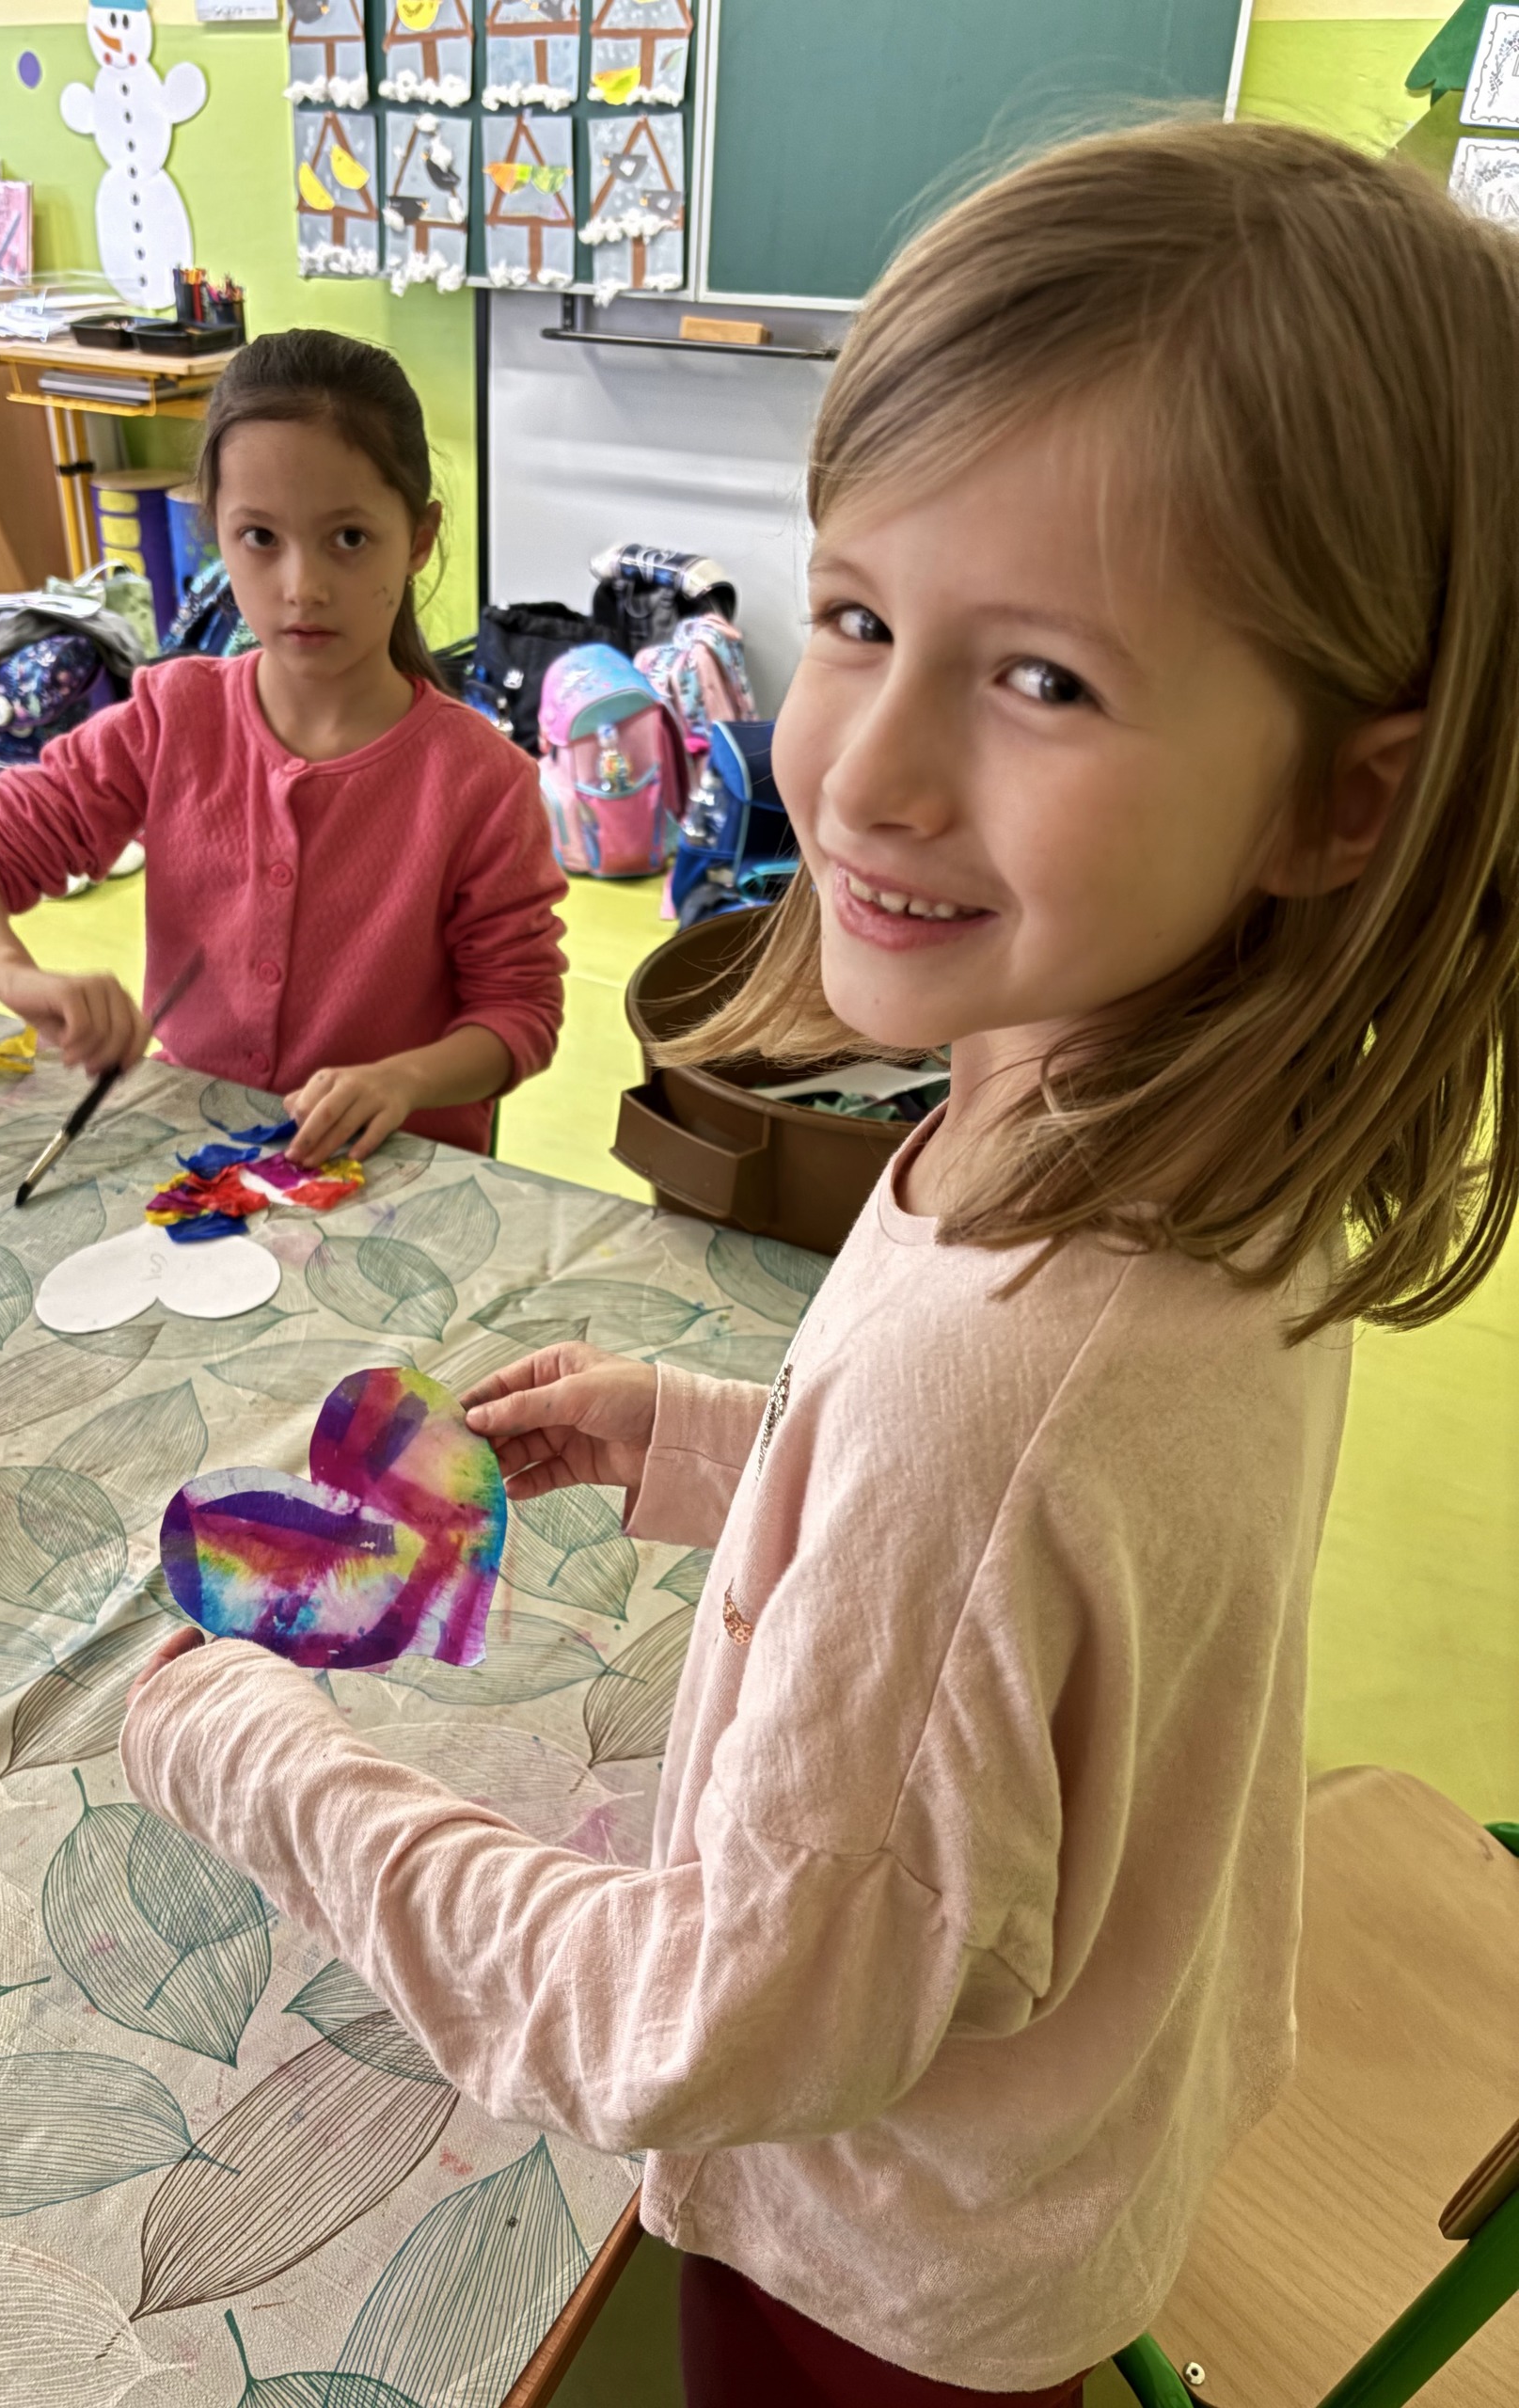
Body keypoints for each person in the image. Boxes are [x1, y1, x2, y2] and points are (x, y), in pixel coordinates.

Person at [118, 122, 1519, 2405]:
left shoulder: (1009, 1351)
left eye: (1042, 678)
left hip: (880, 2275)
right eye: (856, 617)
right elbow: (1035, 1585)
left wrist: (260, 1755)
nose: (859, 771)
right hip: (1067, 2125)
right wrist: (711, 1442)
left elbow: (698, 2021)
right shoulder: (1181, 1131)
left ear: (1335, 799)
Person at [0, 330, 565, 1160]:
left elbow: (519, 1013)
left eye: (349, 538)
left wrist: (403, 1080)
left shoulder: (481, 781)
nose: (302, 588)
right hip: (198, 1155)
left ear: (419, 538)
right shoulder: (172, 718)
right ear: (215, 530)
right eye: (260, 537)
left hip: (389, 1168)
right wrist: (19, 978)